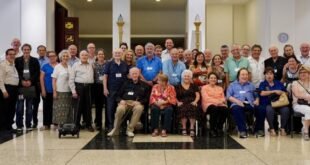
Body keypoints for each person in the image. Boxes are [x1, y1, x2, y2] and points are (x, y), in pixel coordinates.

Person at [107, 67, 150, 137]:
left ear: (139, 74)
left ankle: (130, 130)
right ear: (130, 75)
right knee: (120, 109)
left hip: (137, 103)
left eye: (136, 73)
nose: (134, 75)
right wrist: (120, 100)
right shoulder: (125, 84)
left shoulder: (145, 85)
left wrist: (140, 102)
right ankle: (115, 130)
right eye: (133, 74)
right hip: (125, 103)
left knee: (139, 108)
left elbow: (147, 98)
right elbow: (117, 95)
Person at [226, 68, 260, 138]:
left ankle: (256, 128)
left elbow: (256, 95)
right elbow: (228, 96)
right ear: (238, 76)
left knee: (261, 109)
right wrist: (237, 101)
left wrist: (257, 100)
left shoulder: (251, 85)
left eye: (246, 74)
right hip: (237, 103)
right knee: (237, 109)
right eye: (243, 74)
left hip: (250, 103)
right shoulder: (232, 85)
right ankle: (242, 131)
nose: (245, 76)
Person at [15, 44, 40, 132]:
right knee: (20, 107)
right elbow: (16, 72)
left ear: (30, 50)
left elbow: (37, 73)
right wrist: (21, 81)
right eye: (24, 49)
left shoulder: (35, 60)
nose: (26, 51)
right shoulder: (17, 60)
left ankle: (28, 125)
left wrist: (30, 81)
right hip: (21, 88)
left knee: (29, 107)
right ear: (22, 50)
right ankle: (19, 125)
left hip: (31, 87)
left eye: (28, 49)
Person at [258, 67, 290, 136]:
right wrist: (274, 91)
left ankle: (282, 128)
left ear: (273, 75)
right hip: (269, 103)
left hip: (280, 103)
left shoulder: (278, 83)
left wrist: (281, 92)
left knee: (286, 110)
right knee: (269, 110)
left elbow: (286, 93)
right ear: (265, 75)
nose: (269, 75)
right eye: (267, 74)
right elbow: (261, 93)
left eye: (271, 74)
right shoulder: (262, 84)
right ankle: (272, 129)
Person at [103, 48, 129, 131]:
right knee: (111, 108)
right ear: (113, 54)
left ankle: (122, 125)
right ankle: (111, 126)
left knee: (123, 107)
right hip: (111, 89)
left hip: (122, 90)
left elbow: (128, 76)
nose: (117, 54)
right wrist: (105, 88)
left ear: (122, 54)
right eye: (116, 53)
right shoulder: (109, 64)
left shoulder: (124, 64)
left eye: (119, 53)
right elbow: (105, 77)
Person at [69, 50, 94, 132]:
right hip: (79, 87)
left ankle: (88, 124)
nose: (84, 56)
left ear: (88, 56)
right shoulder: (75, 65)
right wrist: (73, 91)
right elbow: (71, 79)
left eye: (86, 55)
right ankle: (76, 125)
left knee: (88, 107)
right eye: (82, 55)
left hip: (89, 87)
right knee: (78, 107)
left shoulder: (91, 64)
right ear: (80, 56)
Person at [201, 72, 229, 137]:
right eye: (211, 78)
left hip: (219, 104)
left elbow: (223, 98)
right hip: (208, 104)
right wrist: (217, 102)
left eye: (214, 78)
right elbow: (206, 98)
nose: (213, 79)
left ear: (216, 80)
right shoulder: (204, 88)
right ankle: (212, 129)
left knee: (225, 110)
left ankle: (219, 127)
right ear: (208, 79)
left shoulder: (220, 88)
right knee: (214, 109)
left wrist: (220, 102)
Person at [51, 50, 72, 129]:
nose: (65, 57)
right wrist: (54, 92)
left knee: (68, 109)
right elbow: (54, 80)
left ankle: (67, 125)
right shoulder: (57, 67)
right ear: (61, 57)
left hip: (68, 91)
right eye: (64, 56)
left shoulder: (70, 67)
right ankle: (60, 125)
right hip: (59, 91)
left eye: (67, 56)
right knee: (60, 109)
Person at [176, 70, 200, 137]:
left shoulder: (194, 86)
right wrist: (177, 102)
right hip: (182, 102)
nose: (186, 77)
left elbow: (198, 95)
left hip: (192, 101)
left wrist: (195, 102)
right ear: (182, 77)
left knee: (193, 107)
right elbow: (174, 96)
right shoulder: (178, 86)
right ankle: (184, 127)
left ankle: (192, 127)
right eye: (185, 76)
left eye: (188, 76)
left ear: (191, 78)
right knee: (182, 108)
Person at [0, 49, 19, 132]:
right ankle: (3, 127)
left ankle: (9, 126)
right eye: (10, 54)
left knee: (12, 109)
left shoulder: (13, 65)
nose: (12, 56)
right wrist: (4, 91)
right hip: (7, 89)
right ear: (6, 55)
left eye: (13, 54)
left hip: (14, 89)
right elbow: (0, 79)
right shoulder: (3, 65)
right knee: (4, 109)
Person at [40, 51, 58, 130]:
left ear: (56, 57)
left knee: (56, 107)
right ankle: (46, 124)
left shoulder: (59, 65)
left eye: (53, 56)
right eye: (50, 56)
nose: (52, 57)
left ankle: (56, 123)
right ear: (48, 58)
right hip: (47, 90)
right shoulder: (45, 66)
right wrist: (43, 89)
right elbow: (41, 78)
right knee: (47, 107)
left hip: (58, 90)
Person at [292, 65, 310, 141]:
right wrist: (308, 96)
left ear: (309, 73)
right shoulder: (295, 83)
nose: (302, 74)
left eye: (305, 72)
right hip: (298, 104)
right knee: (309, 110)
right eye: (301, 72)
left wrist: (305, 96)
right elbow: (297, 95)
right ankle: (306, 132)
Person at [93, 48, 106, 130]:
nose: (101, 55)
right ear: (97, 55)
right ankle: (98, 123)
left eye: (102, 54)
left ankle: (108, 123)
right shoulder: (93, 65)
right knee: (98, 106)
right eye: (99, 54)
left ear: (104, 55)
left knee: (107, 105)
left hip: (106, 86)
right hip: (97, 86)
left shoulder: (107, 63)